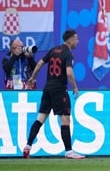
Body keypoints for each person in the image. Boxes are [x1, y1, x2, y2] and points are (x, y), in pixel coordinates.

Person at [23, 30, 85, 159]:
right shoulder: (68, 54)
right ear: (70, 40)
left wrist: (33, 78)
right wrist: (75, 87)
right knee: (65, 119)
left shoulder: (53, 50)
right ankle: (69, 151)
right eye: (76, 38)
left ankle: (28, 146)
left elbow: (40, 63)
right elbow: (68, 73)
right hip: (59, 90)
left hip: (47, 88)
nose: (77, 41)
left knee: (40, 118)